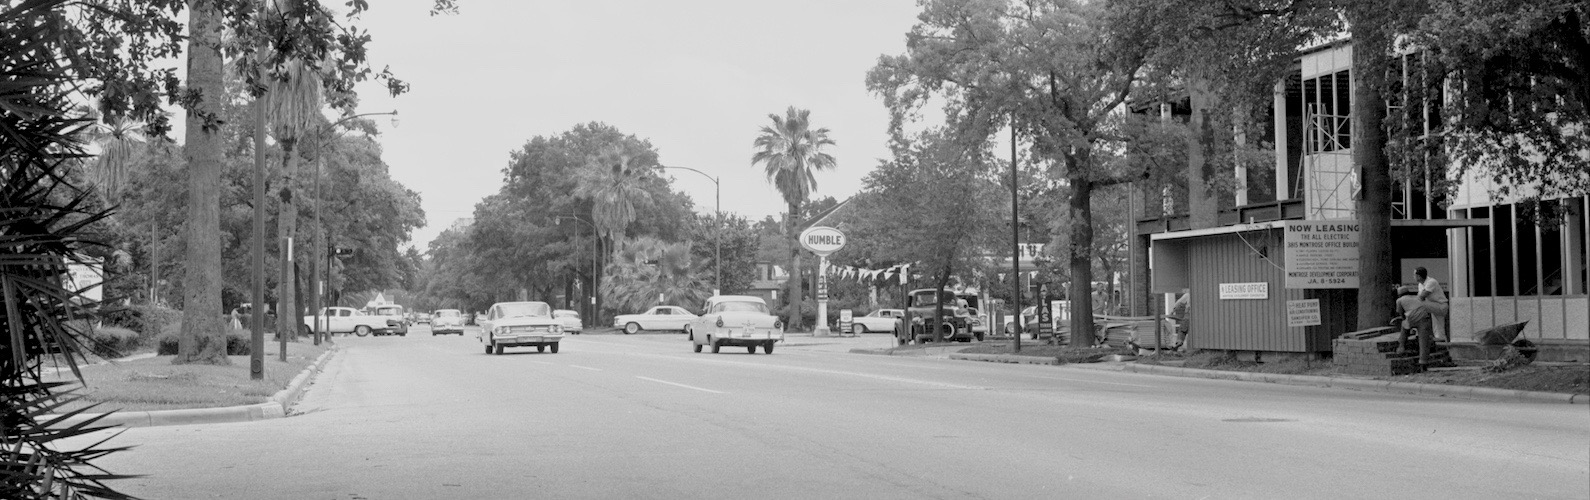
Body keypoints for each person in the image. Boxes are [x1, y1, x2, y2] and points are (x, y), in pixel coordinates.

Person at [1392, 285, 1434, 366]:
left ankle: (1401, 347)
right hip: (1424, 317)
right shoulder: (1416, 297)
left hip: (1411, 318)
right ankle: (1423, 361)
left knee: (1404, 327)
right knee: (1423, 340)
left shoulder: (1400, 300)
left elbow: (1400, 313)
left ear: (1399, 294)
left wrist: (1405, 320)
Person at [1414, 267, 1450, 341]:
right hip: (1433, 305)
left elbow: (1422, 296)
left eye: (1414, 275)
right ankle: (1442, 342)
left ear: (1419, 276)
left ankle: (1417, 329)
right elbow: (1420, 297)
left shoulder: (1431, 281)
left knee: (1419, 305)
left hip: (1440, 305)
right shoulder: (1420, 285)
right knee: (1438, 328)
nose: (1413, 277)